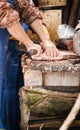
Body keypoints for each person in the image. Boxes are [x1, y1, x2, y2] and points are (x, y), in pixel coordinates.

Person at [0, 0, 59, 130]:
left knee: (13, 91)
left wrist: (46, 40)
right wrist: (30, 44)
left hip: (11, 49)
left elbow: (28, 10)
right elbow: (4, 14)